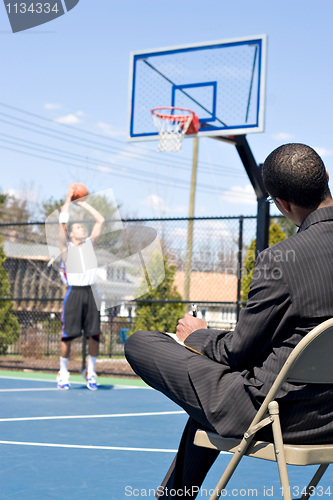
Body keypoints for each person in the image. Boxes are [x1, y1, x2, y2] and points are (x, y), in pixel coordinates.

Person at [125, 143, 333, 498]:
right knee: (206, 397)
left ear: (282, 204)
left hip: (275, 417)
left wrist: (200, 336)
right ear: (327, 177)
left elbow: (238, 353)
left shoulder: (282, 259)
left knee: (141, 342)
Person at [57, 185, 105, 391]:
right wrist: (68, 199)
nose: (81, 229)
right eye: (77, 228)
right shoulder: (66, 249)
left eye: (82, 227)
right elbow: (62, 224)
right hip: (74, 293)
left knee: (94, 335)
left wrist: (83, 203)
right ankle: (63, 372)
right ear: (71, 233)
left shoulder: (89, 247)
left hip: (91, 292)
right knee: (68, 336)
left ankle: (91, 373)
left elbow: (100, 220)